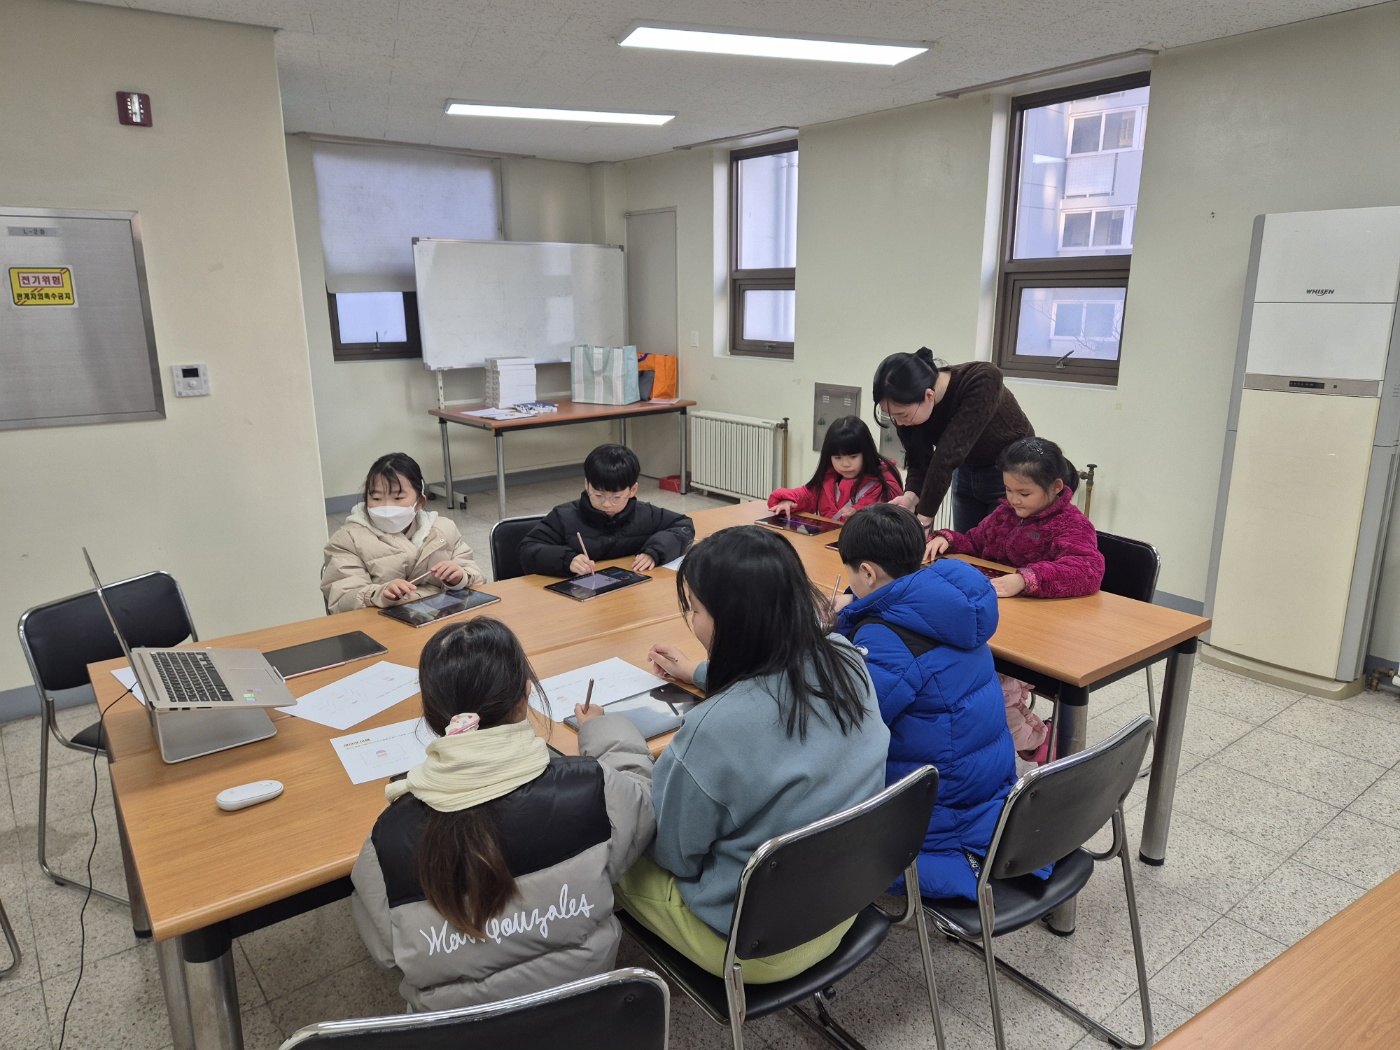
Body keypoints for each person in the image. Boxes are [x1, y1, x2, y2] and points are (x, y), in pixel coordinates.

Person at [615, 526, 890, 982]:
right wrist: (699, 671)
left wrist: (615, 747)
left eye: (695, 610)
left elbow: (671, 854)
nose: (693, 622)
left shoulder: (713, 729)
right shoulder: (844, 658)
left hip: (753, 949)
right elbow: (777, 688)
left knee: (606, 841)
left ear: (732, 621)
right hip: (843, 904)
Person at [350, 617, 656, 1011]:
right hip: (589, 1019)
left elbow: (387, 952)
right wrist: (603, 731)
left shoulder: (387, 840)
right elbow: (642, 810)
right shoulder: (594, 788)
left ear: (431, 715)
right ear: (525, 696)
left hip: (459, 1036)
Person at [834, 504, 1020, 900]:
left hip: (937, 823)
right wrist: (855, 611)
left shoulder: (886, 640)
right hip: (987, 796)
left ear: (867, 572)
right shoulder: (952, 610)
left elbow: (843, 722)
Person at [927, 437, 1105, 761]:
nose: (1013, 499)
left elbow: (1087, 569)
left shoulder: (1071, 524)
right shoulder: (1005, 513)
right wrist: (948, 539)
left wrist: (1026, 579)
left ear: (1055, 487)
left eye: (1024, 493)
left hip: (1040, 637)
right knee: (950, 671)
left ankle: (1038, 741)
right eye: (1008, 490)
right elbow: (976, 541)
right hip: (997, 622)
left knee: (981, 690)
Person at [872, 348, 1035, 535]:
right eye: (892, 416)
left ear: (929, 396)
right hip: (966, 469)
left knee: (998, 546)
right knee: (965, 543)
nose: (899, 423)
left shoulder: (982, 379)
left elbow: (947, 456)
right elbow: (919, 460)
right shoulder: (910, 409)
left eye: (902, 415)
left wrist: (923, 521)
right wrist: (910, 496)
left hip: (1011, 473)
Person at [322, 452, 484, 614]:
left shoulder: (443, 529)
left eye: (398, 498)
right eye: (377, 498)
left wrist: (459, 577)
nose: (386, 506)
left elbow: (476, 577)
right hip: (382, 620)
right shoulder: (347, 539)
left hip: (444, 616)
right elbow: (341, 599)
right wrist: (378, 594)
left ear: (420, 502)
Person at [519, 444, 695, 577]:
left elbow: (683, 526)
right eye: (598, 495)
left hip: (628, 592)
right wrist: (567, 560)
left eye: (616, 497)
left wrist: (655, 552)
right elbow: (528, 549)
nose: (607, 504)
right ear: (587, 484)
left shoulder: (644, 514)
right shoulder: (564, 517)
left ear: (632, 490)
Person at [768, 415, 903, 521]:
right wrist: (788, 501)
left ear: (866, 453)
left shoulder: (884, 481)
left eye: (853, 456)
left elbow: (885, 515)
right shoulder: (828, 477)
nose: (845, 464)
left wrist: (859, 513)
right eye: (838, 458)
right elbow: (806, 496)